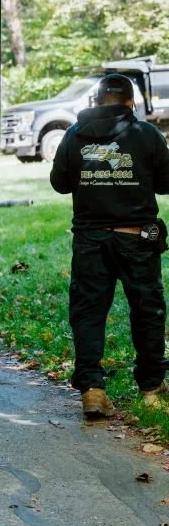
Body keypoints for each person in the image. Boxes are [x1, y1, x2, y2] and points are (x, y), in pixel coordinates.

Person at [50, 72, 169, 419]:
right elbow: (165, 184)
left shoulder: (74, 135)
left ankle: (93, 390)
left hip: (90, 242)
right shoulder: (146, 134)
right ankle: (150, 388)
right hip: (137, 238)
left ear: (97, 102)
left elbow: (59, 184)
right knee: (147, 311)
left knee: (88, 313)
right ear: (131, 103)